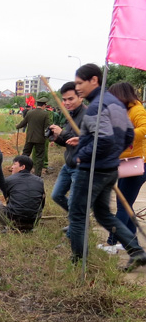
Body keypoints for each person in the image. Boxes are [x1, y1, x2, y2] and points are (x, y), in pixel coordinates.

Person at [68, 64, 146, 270]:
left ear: (94, 80)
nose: (77, 88)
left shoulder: (97, 106)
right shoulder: (117, 105)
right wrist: (111, 153)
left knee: (77, 215)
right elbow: (128, 135)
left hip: (92, 170)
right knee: (104, 214)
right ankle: (136, 251)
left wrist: (80, 157)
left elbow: (101, 140)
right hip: (111, 168)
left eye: (79, 83)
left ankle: (78, 264)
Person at [98, 82, 146, 254]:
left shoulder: (137, 110)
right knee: (126, 204)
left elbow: (144, 128)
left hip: (137, 162)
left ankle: (112, 243)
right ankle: (130, 241)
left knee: (123, 205)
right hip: (126, 161)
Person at [49, 82, 86, 219]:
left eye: (71, 99)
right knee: (56, 195)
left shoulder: (87, 116)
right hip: (69, 164)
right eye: (64, 100)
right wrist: (56, 137)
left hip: (80, 166)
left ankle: (75, 226)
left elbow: (85, 141)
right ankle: (75, 218)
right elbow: (69, 142)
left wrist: (62, 133)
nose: (67, 102)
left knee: (74, 201)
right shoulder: (70, 115)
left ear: (80, 97)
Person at [0, 155, 45, 231]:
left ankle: (9, 226)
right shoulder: (39, 181)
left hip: (14, 220)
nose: (12, 167)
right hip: (33, 221)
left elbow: (7, 199)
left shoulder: (9, 180)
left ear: (22, 167)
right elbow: (42, 203)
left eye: (14, 164)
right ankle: (28, 226)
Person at [16, 97, 50, 176]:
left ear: (37, 104)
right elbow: (47, 127)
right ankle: (37, 175)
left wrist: (17, 126)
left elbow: (23, 123)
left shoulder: (30, 112)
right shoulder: (45, 114)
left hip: (29, 138)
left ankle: (21, 172)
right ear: (44, 105)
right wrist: (49, 138)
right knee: (39, 157)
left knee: (25, 155)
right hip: (40, 139)